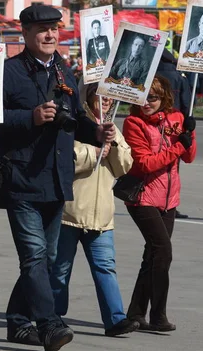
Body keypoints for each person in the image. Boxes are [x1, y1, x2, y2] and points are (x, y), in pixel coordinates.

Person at [0, 4, 116, 351]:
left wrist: (97, 132)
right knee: (33, 257)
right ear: (26, 34)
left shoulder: (63, 69)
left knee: (45, 258)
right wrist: (30, 117)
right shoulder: (9, 72)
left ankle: (18, 322)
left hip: (57, 179)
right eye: (43, 30)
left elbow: (76, 116)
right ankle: (49, 324)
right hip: (21, 178)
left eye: (55, 29)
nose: (51, 35)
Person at [49, 83, 138, 337]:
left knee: (105, 267)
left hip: (102, 216)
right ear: (88, 96)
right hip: (70, 211)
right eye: (100, 94)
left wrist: (114, 146)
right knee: (60, 270)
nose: (106, 100)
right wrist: (96, 150)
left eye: (110, 96)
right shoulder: (76, 123)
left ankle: (115, 319)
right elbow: (66, 159)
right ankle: (53, 317)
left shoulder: (112, 127)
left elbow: (124, 166)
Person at [122, 75, 197, 332]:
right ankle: (158, 315)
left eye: (152, 98)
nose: (147, 103)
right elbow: (144, 163)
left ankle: (135, 313)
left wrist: (190, 133)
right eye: (142, 98)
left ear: (163, 97)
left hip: (169, 197)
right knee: (163, 251)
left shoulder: (175, 118)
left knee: (152, 255)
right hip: (143, 197)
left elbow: (189, 157)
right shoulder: (133, 123)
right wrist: (177, 148)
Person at [156, 49, 194, 219]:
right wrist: (187, 123)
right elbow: (187, 103)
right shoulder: (179, 76)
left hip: (153, 124)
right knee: (172, 168)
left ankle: (153, 202)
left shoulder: (151, 74)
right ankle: (169, 206)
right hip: (174, 127)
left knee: (154, 164)